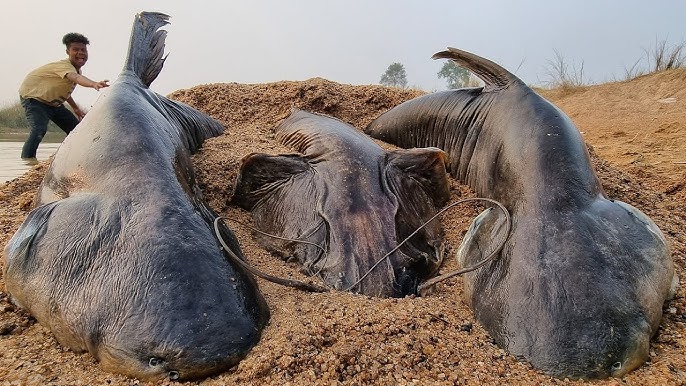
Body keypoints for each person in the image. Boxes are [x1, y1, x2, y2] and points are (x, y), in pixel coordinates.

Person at [18, 32, 110, 159]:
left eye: (83, 50)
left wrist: (75, 108)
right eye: (75, 50)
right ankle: (27, 161)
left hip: (54, 104)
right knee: (39, 129)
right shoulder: (64, 67)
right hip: (35, 100)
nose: (81, 53)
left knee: (75, 131)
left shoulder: (75, 69)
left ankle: (72, 158)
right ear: (68, 52)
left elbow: (64, 91)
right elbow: (76, 78)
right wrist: (93, 84)